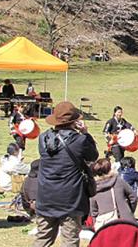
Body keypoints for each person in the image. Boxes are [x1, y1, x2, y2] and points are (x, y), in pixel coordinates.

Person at [34, 101, 99, 247]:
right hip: (70, 199)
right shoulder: (79, 140)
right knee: (70, 240)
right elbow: (92, 156)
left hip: (46, 196)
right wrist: (86, 133)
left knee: (42, 239)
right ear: (74, 121)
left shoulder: (43, 138)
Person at [90, 158, 137, 228]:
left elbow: (93, 211)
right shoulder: (118, 181)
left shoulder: (93, 187)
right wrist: (128, 211)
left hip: (104, 226)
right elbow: (133, 197)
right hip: (125, 222)